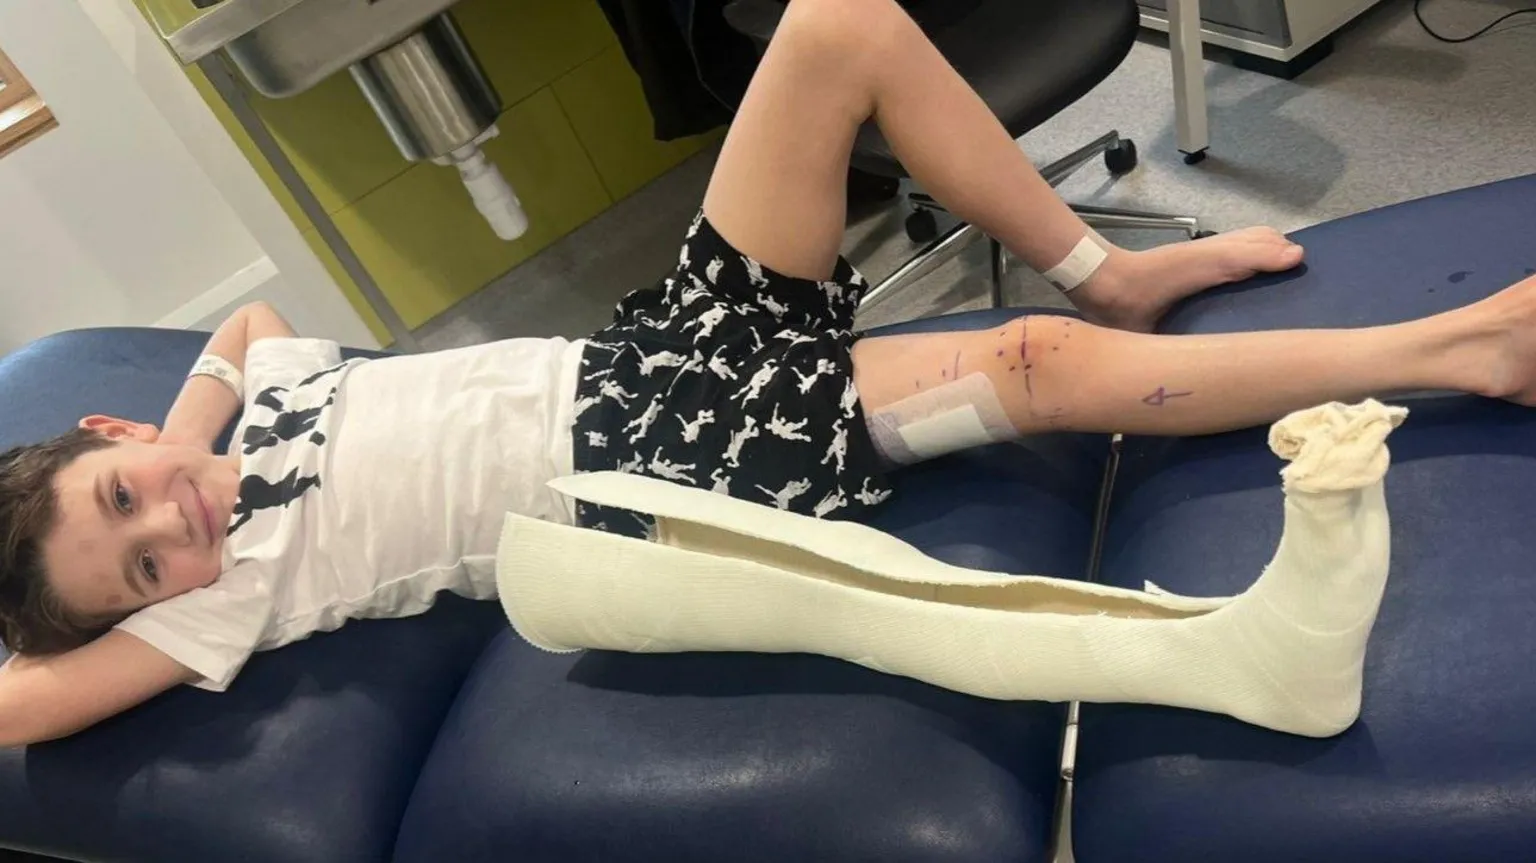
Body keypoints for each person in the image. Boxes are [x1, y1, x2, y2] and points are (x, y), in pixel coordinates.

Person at [0, 0, 1533, 747]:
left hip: (654, 345)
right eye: (142, 563)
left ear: (110, 425)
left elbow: (251, 338)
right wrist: (145, 535)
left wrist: (199, 425)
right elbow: (23, 703)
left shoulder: (233, 407)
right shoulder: (215, 604)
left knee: (836, 24)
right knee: (1031, 367)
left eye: (132, 492)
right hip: (654, 470)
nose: (177, 530)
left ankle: (1110, 260)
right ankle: (1456, 347)